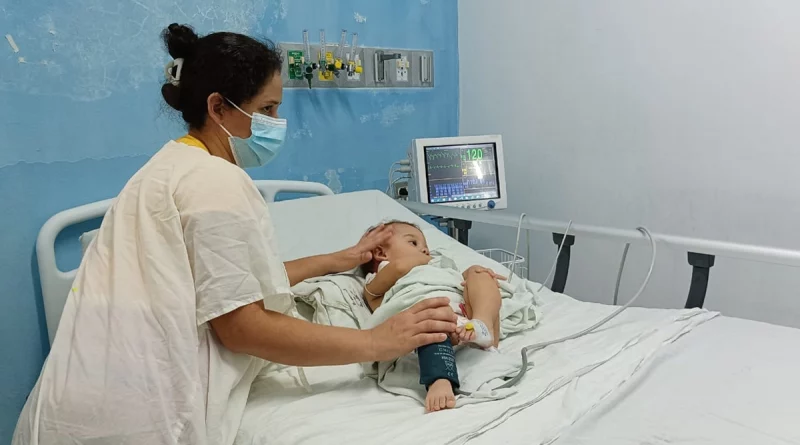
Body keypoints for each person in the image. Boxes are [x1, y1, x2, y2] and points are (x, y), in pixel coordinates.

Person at [12, 24, 457, 445]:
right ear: (218, 107)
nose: (276, 122)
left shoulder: (169, 166)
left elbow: (227, 284)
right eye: (267, 109)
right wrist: (376, 342)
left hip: (81, 401)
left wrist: (339, 258)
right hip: (135, 417)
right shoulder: (214, 184)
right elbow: (242, 328)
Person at [361, 221, 503, 412]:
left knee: (480, 273)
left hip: (464, 316)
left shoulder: (436, 266)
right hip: (430, 320)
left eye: (426, 246)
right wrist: (424, 259)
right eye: (414, 243)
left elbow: (454, 280)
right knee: (429, 321)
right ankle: (440, 379)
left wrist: (469, 273)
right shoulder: (379, 278)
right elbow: (399, 269)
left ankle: (483, 325)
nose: (426, 251)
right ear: (381, 253)